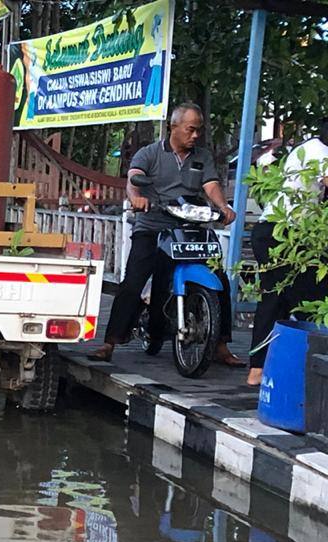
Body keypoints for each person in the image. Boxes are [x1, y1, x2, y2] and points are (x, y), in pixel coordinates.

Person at [93, 103, 242, 366]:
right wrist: (137, 197)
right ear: (173, 126)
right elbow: (134, 177)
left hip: (189, 227)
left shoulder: (202, 156)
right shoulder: (150, 153)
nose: (195, 135)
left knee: (220, 278)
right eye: (190, 129)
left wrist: (223, 206)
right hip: (153, 226)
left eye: (198, 130)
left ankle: (220, 344)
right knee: (133, 281)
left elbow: (211, 184)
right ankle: (110, 342)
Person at [248, 119, 328, 386]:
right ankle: (261, 369)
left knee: (286, 299)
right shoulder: (320, 153)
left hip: (289, 234)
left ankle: (266, 368)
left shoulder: (308, 147)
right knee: (298, 300)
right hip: (281, 235)